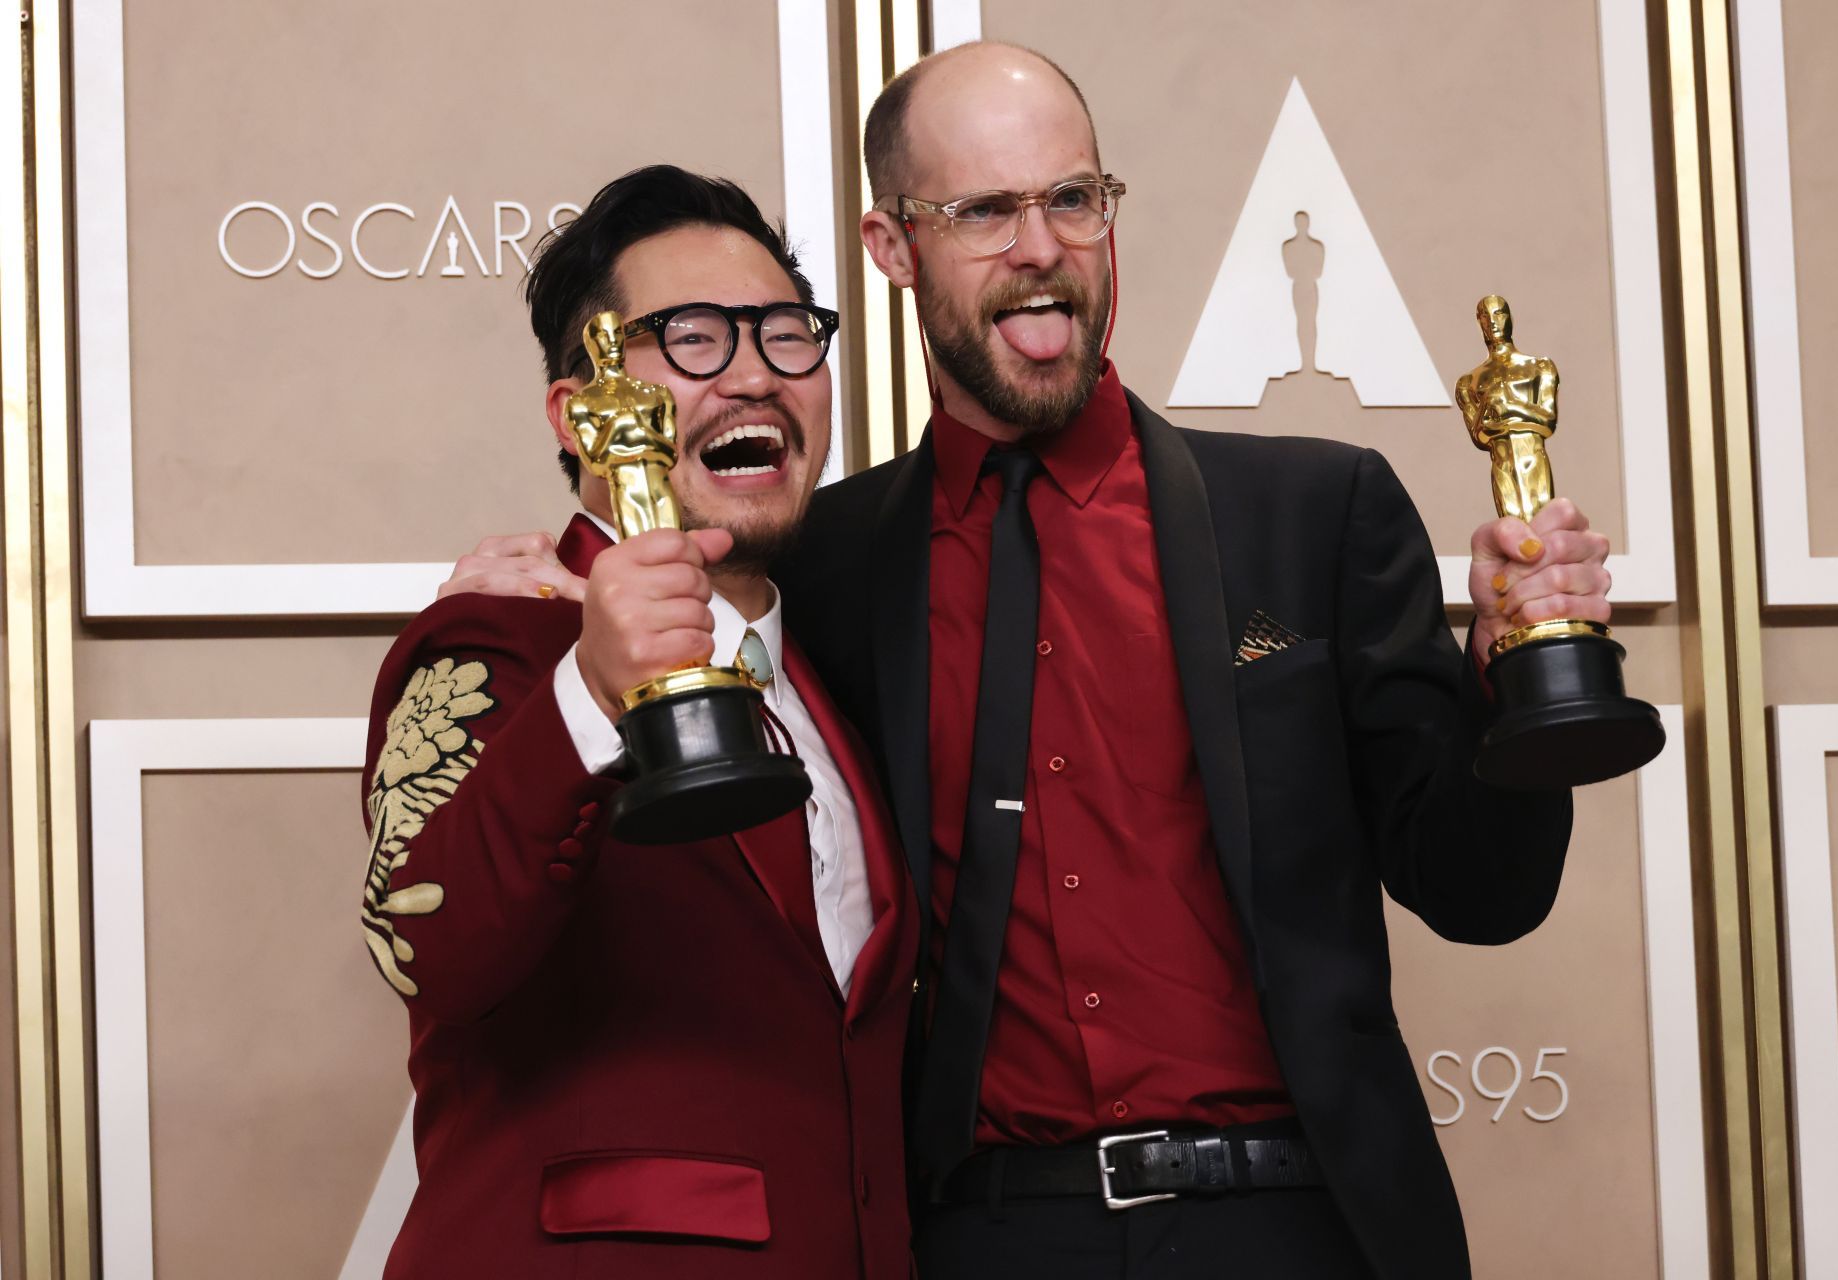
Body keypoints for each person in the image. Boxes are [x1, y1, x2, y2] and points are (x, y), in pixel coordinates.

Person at [449, 43, 1617, 1280]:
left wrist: (1513, 677)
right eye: (985, 211)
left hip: (1297, 1219)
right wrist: (545, 589)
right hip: (983, 1237)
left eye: (1072, 198)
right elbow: (661, 616)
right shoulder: (820, 567)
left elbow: (1485, 891)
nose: (1041, 247)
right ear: (893, 245)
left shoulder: (1314, 512)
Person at [358, 165, 915, 1279]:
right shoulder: (495, 641)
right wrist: (592, 690)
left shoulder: (840, 679)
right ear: (582, 412)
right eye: (694, 339)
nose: (753, 375)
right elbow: (427, 941)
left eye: (787, 336)